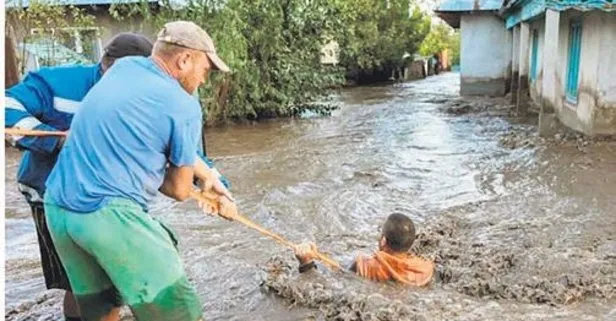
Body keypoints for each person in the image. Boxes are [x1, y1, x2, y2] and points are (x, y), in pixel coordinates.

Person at [43, 21, 235, 321]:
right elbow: (179, 190)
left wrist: (209, 177)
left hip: (58, 210)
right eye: (205, 69)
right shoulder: (183, 104)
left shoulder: (123, 69)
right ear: (184, 60)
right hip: (108, 216)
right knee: (180, 313)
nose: (203, 80)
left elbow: (135, 137)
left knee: (102, 311)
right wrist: (202, 191)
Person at [4, 32, 154, 321]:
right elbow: (5, 107)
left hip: (110, 199)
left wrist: (212, 183)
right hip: (49, 195)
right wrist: (56, 140)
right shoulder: (58, 83)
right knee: (77, 283)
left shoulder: (146, 95)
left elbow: (176, 148)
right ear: (108, 66)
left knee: (114, 280)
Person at [294, 213, 434, 286]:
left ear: (383, 241)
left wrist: (306, 262)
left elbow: (333, 276)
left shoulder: (363, 266)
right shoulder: (426, 270)